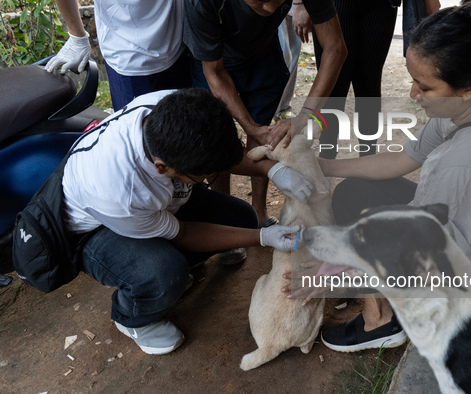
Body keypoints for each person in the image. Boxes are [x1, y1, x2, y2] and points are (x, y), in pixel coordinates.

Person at [289, 0, 471, 352]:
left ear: (467, 88)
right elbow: (404, 157)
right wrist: (324, 166)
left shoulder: (470, 163)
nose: (412, 94)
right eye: (413, 81)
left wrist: (333, 273)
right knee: (355, 193)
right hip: (462, 232)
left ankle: (380, 323)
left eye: (424, 86)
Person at [62, 88, 314, 355]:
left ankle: (179, 265)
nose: (211, 175)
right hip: (96, 230)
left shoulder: (172, 107)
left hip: (152, 205)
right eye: (204, 174)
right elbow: (183, 232)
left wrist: (271, 169)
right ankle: (132, 317)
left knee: (241, 218)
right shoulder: (123, 194)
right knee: (164, 273)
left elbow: (219, 151)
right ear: (163, 168)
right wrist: (263, 238)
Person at [183, 0, 347, 228]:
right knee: (215, 137)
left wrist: (304, 116)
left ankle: (259, 211)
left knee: (264, 133)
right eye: (260, 0)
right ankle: (225, 217)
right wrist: (248, 126)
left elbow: (335, 47)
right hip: (213, 61)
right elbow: (214, 72)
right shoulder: (202, 3)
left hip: (262, 54)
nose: (271, 8)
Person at [313, 0, 440, 159]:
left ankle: (367, 160)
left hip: (381, 6)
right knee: (334, 86)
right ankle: (326, 156)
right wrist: (299, 5)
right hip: (335, 5)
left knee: (369, 85)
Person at [46, 0, 191, 111]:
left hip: (180, 45)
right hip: (131, 59)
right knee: (144, 138)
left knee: (186, 127)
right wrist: (77, 36)